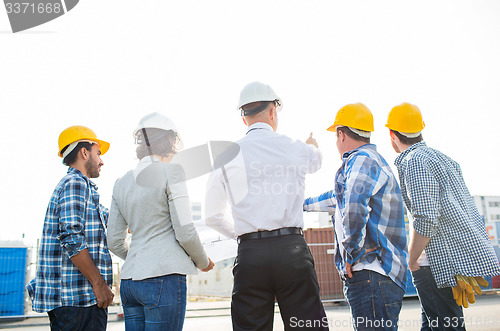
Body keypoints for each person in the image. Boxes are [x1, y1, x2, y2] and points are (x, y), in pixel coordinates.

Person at [204, 81, 328, 330]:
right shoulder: (295, 148)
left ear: (244, 119)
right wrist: (311, 145)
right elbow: (317, 161)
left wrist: (242, 234)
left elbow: (212, 216)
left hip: (251, 254)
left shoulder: (225, 157)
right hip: (292, 250)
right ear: (273, 111)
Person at [386, 102, 500, 330]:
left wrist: (412, 258)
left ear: (392, 134)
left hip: (433, 265)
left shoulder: (414, 161)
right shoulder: (444, 159)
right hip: (449, 261)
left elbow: (426, 217)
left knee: (444, 326)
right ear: (420, 130)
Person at [304, 103, 408, 331]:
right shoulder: (368, 162)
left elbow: (353, 205)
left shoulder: (361, 159)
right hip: (377, 277)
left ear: (341, 134)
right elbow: (338, 198)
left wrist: (352, 253)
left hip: (372, 273)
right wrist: (300, 205)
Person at [108, 112, 215, 331]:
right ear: (170, 141)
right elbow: (185, 231)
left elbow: (114, 242)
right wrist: (203, 262)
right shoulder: (172, 172)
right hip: (162, 278)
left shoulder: (121, 182)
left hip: (129, 282)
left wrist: (142, 256)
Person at [26, 126, 114, 330]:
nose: (101, 161)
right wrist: (99, 284)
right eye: (98, 153)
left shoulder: (82, 190)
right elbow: (72, 238)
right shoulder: (75, 183)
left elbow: (113, 220)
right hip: (79, 301)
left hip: (75, 304)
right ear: (85, 152)